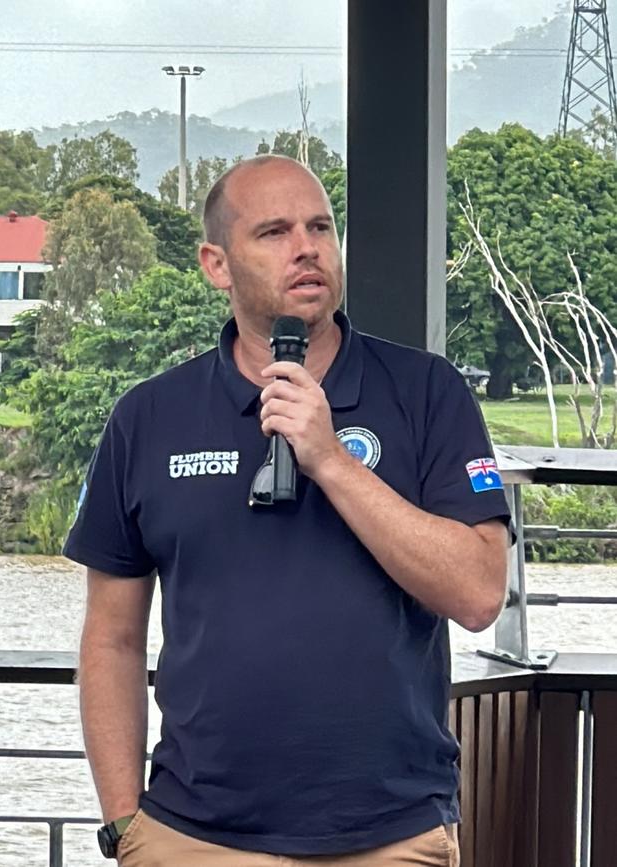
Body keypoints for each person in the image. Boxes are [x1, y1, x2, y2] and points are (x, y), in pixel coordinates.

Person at [64, 155, 511, 866]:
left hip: (389, 835)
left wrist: (330, 459)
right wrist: (126, 825)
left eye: (320, 227)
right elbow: (112, 638)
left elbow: (481, 591)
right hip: (191, 837)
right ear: (217, 263)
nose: (306, 248)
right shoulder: (148, 417)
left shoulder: (428, 392)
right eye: (274, 232)